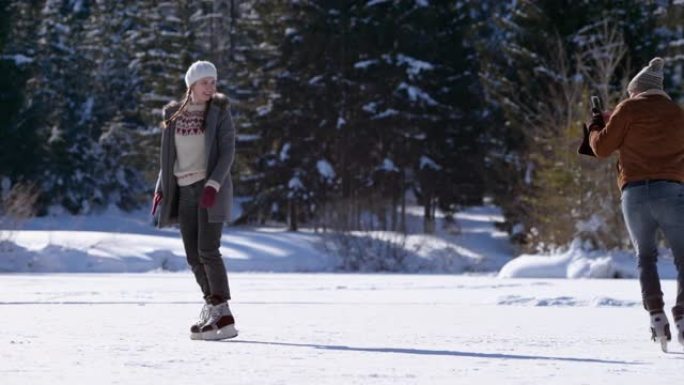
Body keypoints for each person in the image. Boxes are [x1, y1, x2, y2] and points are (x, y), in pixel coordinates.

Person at [588, 57, 684, 351]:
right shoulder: (677, 114)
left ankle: (656, 316)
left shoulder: (627, 109)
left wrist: (595, 125)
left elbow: (602, 148)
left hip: (634, 195)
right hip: (671, 192)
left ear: (637, 89)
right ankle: (682, 316)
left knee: (646, 257)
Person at [152, 60, 237, 341]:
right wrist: (161, 187)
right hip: (183, 189)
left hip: (209, 188)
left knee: (208, 250)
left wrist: (213, 184)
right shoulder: (173, 115)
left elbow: (227, 153)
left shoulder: (220, 113)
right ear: (191, 85)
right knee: (192, 255)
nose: (211, 87)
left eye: (213, 82)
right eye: (205, 82)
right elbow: (168, 158)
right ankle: (213, 309)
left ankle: (223, 314)